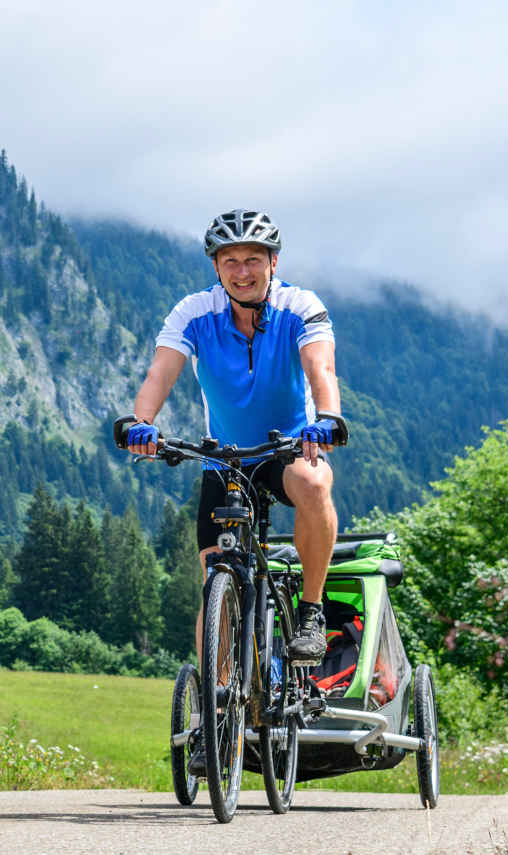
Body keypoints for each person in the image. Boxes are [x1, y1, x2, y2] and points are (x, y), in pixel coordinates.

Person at [119, 209, 346, 663]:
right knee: (215, 582)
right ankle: (214, 712)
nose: (242, 272)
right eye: (230, 262)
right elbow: (159, 374)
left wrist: (327, 419)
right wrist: (139, 422)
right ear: (217, 267)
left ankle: (311, 611)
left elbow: (321, 369)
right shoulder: (193, 312)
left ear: (273, 263)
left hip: (287, 448)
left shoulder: (300, 306)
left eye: (253, 260)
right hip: (224, 460)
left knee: (315, 483)